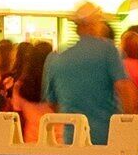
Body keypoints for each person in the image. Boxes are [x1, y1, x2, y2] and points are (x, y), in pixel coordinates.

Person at [42, 7, 126, 139]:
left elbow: (52, 103)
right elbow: (124, 89)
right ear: (93, 25)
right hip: (106, 137)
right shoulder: (108, 50)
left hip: (72, 137)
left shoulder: (56, 58)